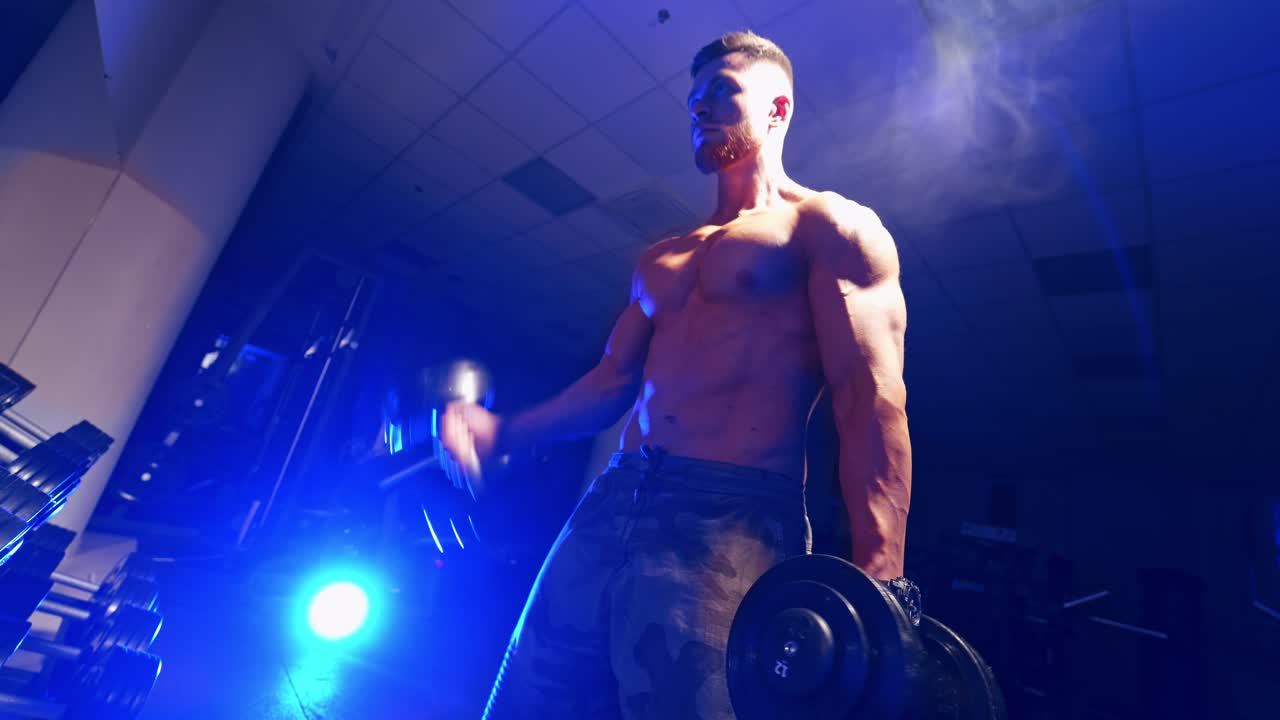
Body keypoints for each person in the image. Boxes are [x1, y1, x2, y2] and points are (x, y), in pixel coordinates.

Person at [438, 30, 912, 720]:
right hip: (614, 495)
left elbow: (868, 400)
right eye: (693, 99)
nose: (699, 107)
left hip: (732, 513)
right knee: (526, 702)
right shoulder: (662, 258)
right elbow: (610, 383)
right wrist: (502, 431)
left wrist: (882, 584)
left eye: (722, 90)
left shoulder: (828, 226)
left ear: (778, 108)